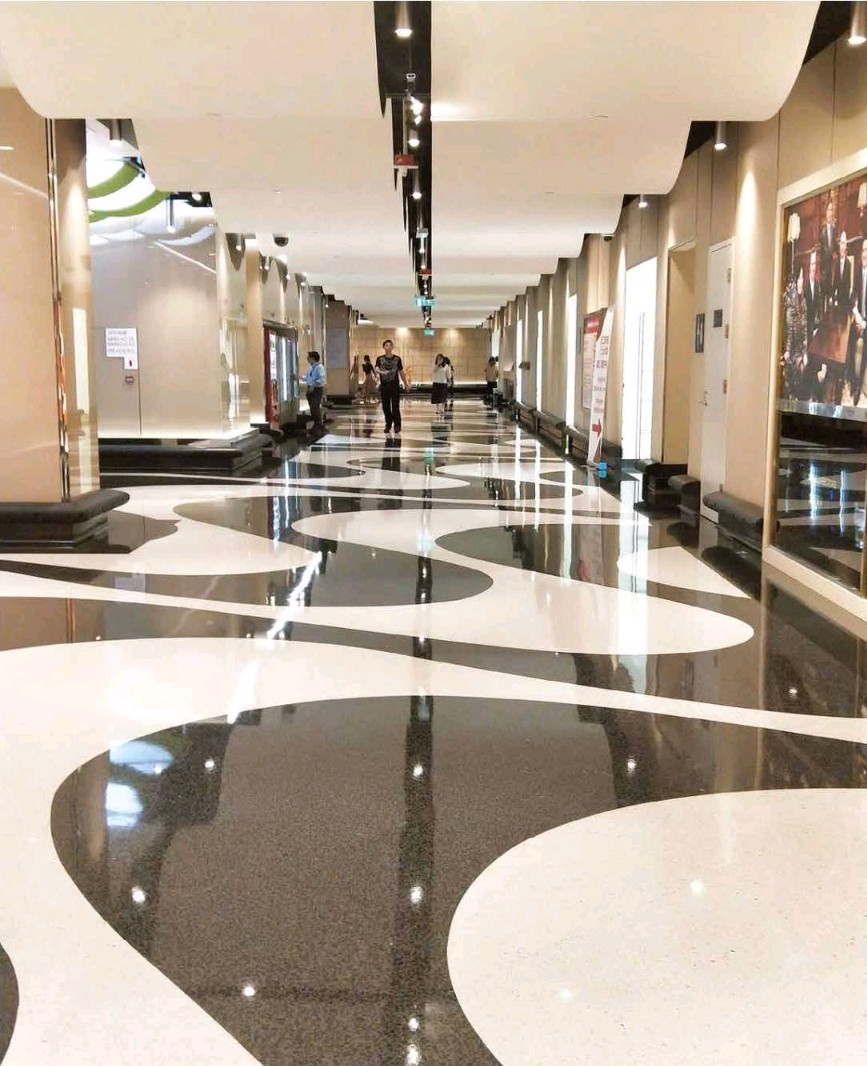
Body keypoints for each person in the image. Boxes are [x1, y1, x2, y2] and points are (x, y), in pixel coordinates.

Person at [375, 339, 408, 435]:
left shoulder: (397, 359)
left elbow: (401, 372)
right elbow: (376, 368)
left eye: (390, 345)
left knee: (395, 406)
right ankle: (388, 424)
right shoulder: (380, 358)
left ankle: (397, 425)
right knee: (385, 407)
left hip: (394, 385)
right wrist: (382, 372)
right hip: (384, 386)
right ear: (384, 347)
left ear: (392, 347)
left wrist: (405, 383)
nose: (388, 346)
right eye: (386, 345)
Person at [303, 350, 326, 431]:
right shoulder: (311, 368)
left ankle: (319, 424)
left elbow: (321, 379)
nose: (307, 359)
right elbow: (308, 378)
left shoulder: (319, 367)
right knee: (312, 408)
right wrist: (299, 378)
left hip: (317, 389)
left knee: (315, 407)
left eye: (308, 357)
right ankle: (316, 424)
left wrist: (313, 385)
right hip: (310, 389)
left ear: (312, 358)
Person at [431, 354, 450, 420]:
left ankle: (442, 408)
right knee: (437, 396)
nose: (439, 360)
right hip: (436, 382)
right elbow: (433, 371)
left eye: (440, 359)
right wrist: (437, 364)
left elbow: (448, 375)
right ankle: (437, 409)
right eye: (438, 359)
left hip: (443, 383)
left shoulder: (446, 366)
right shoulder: (435, 365)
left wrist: (449, 381)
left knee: (443, 396)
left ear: (443, 359)